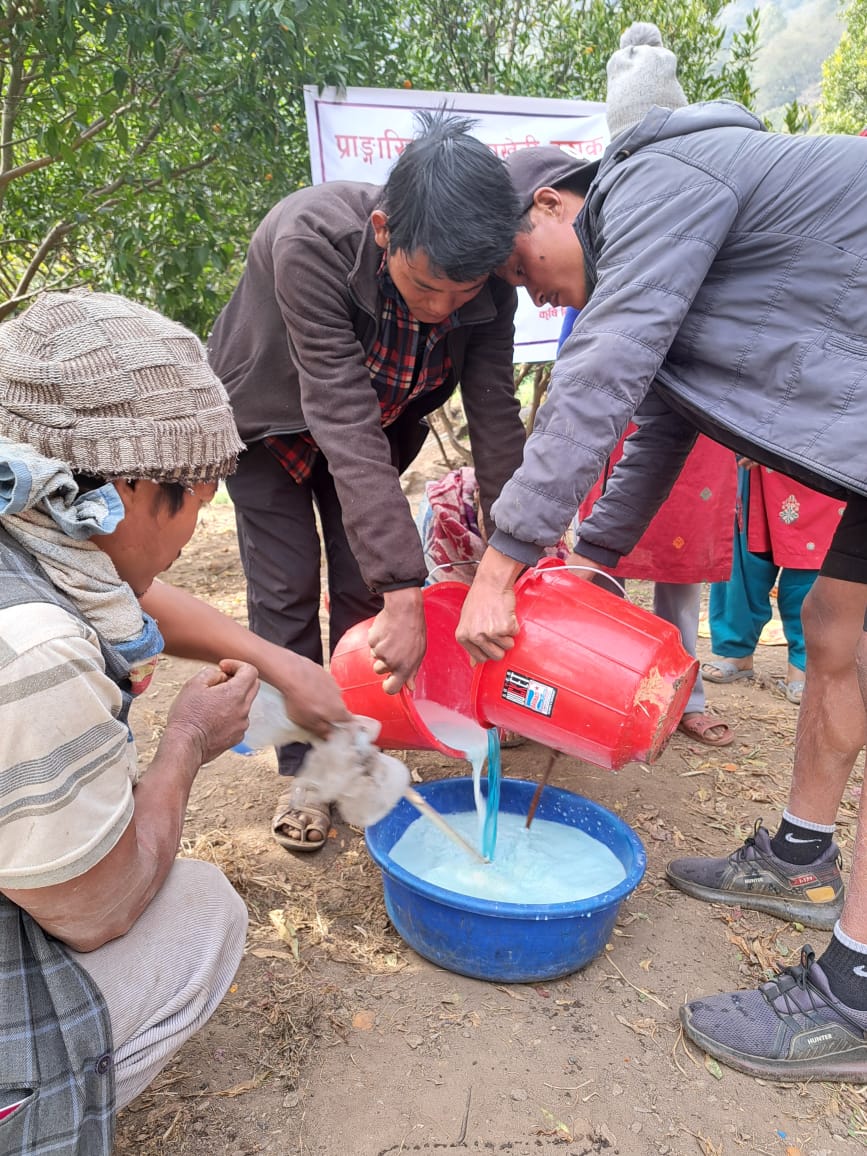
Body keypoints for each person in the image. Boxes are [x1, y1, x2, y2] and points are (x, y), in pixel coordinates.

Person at [455, 22, 867, 1081]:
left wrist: (502, 565)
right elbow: (653, 416)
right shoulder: (675, 223)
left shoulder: (659, 180)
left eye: (521, 268)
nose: (534, 297)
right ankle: (801, 855)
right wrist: (590, 559)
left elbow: (604, 371)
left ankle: (854, 995)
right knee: (831, 622)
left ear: (556, 202)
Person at [0, 290, 348, 1151]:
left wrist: (281, 663)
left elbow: (133, 587)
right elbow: (95, 908)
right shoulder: (34, 652)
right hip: (75, 908)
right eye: (195, 497)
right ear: (122, 489)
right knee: (199, 911)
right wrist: (187, 742)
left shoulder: (33, 518)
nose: (200, 524)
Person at [208, 110, 526, 851]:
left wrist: (516, 556)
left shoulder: (487, 290)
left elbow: (495, 424)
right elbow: (339, 410)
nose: (444, 308)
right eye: (427, 287)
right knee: (286, 590)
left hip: (374, 436)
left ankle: (350, 752)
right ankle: (307, 776)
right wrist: (404, 586)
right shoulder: (310, 240)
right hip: (269, 426)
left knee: (363, 597)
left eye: (463, 292)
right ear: (384, 231)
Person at [562, 305, 737, 747]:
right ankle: (598, 693)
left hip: (700, 414)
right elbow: (573, 344)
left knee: (682, 569)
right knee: (600, 568)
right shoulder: (603, 253)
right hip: (620, 411)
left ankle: (683, 699)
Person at [703, 461, 845, 704]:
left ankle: (803, 664)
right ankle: (737, 652)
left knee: (810, 565)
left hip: (820, 459)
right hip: (760, 458)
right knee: (746, 557)